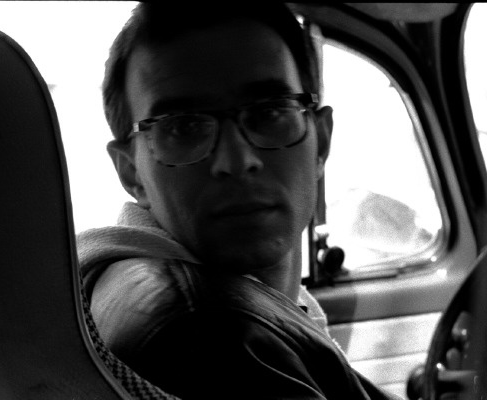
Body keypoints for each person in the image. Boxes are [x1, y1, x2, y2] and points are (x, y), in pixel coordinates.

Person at [77, 3, 397, 399]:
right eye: (184, 127)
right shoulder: (208, 334)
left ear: (321, 140)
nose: (236, 160)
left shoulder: (253, 311)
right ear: (131, 173)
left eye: (270, 112)